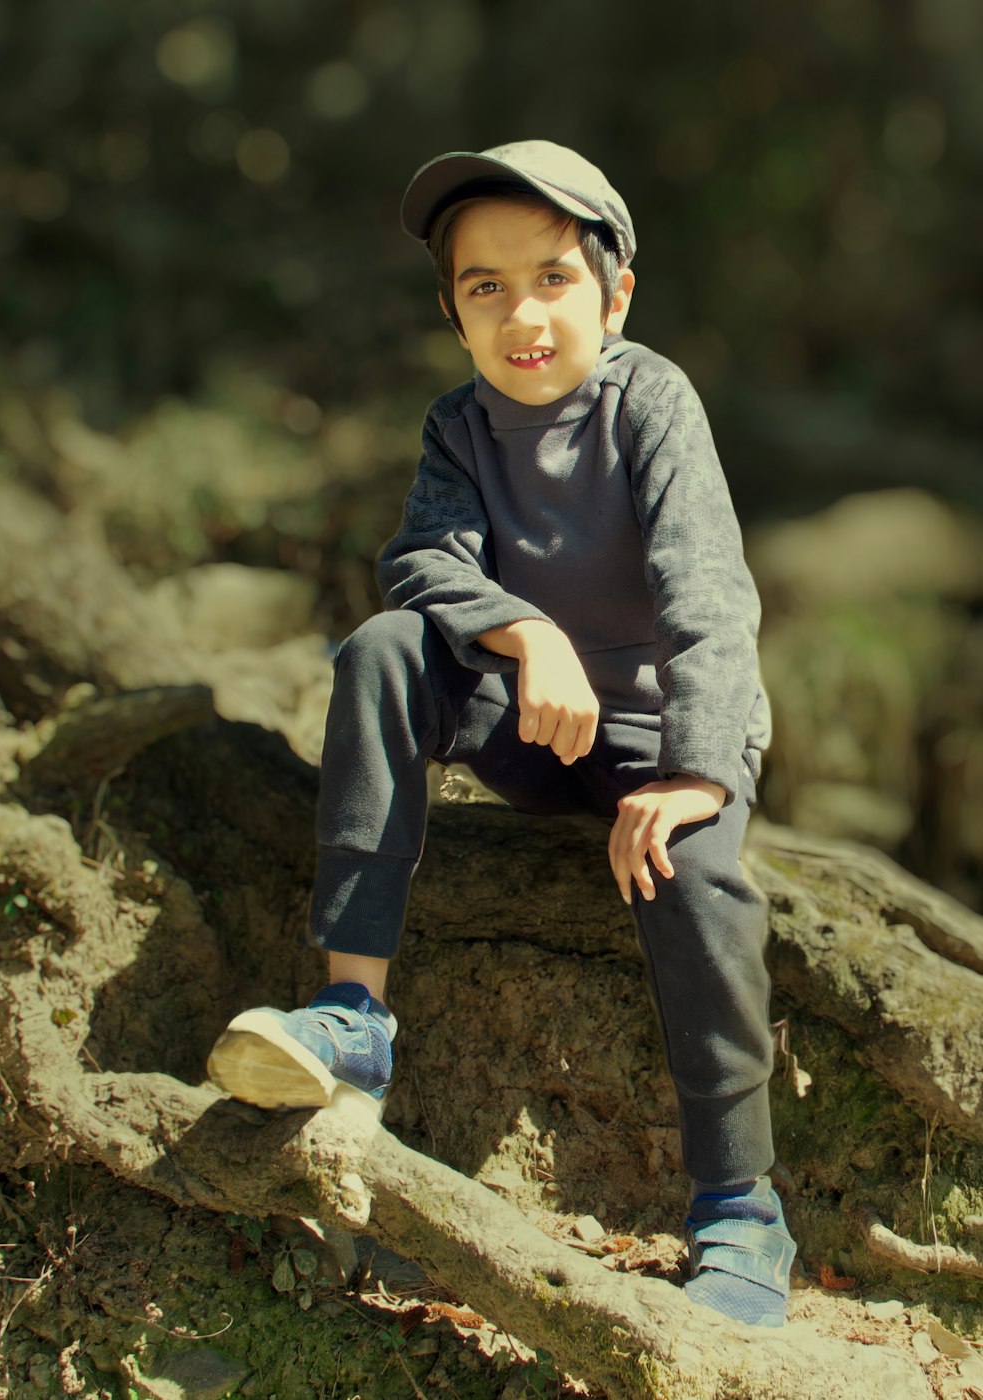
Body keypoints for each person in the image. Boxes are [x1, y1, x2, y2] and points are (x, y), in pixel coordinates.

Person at [207, 139, 797, 1327]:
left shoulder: (652, 403)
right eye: (486, 287)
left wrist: (694, 772)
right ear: (452, 310)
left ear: (614, 292)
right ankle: (352, 1014)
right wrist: (528, 636)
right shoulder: (458, 429)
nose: (523, 314)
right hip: (529, 715)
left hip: (658, 724)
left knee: (694, 876)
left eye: (552, 279)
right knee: (380, 646)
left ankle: (740, 1201)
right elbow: (422, 561)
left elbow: (709, 595)